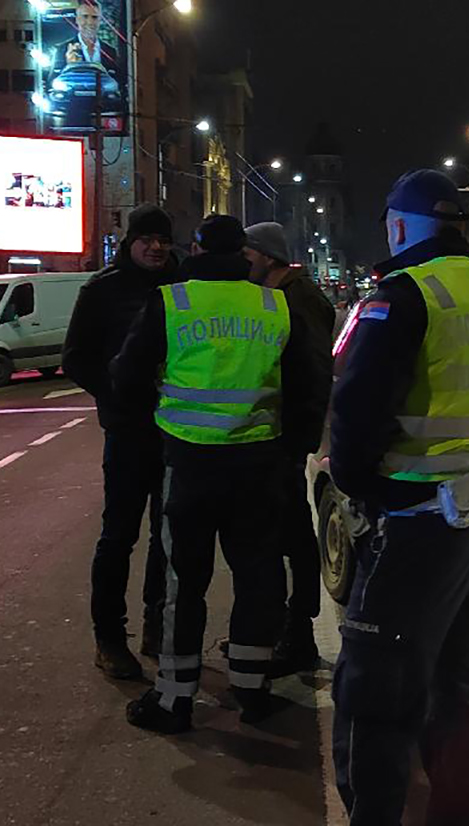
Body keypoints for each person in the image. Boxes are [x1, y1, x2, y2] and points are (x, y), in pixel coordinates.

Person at [328, 169, 469, 825]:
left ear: (397, 226)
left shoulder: (405, 296)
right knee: (460, 692)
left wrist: (364, 491)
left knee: (377, 694)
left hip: (417, 523)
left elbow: (356, 413)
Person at [109, 214, 328, 733]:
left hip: (189, 464)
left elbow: (126, 375)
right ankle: (251, 689)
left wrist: (155, 421)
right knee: (257, 576)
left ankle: (174, 697)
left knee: (183, 582)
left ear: (197, 249)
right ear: (242, 255)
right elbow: (308, 385)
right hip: (257, 465)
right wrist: (290, 449)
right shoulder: (274, 305)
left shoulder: (173, 302)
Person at [63, 205, 180, 681]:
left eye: (163, 240)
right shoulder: (102, 290)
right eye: (147, 239)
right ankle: (109, 638)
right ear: (130, 241)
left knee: (167, 538)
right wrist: (115, 394)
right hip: (129, 432)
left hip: (177, 432)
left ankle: (157, 625)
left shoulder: (183, 286)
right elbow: (76, 358)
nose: (156, 247)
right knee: (119, 536)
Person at [243, 222, 338, 676]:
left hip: (285, 440)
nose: (241, 264)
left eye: (247, 255)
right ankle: (283, 628)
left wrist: (298, 439)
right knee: (280, 534)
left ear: (267, 256)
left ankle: (297, 632)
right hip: (278, 437)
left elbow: (314, 373)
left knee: (292, 537)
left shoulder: (297, 300)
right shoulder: (281, 295)